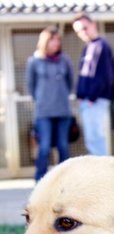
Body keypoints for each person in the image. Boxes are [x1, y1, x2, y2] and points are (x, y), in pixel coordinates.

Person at [26, 26, 74, 182]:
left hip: (63, 111)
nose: (56, 43)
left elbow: (70, 83)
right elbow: (31, 86)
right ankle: (40, 180)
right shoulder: (34, 61)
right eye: (52, 40)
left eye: (58, 40)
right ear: (45, 41)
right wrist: (42, 99)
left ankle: (65, 181)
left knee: (63, 146)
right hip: (43, 112)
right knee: (44, 146)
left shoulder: (65, 60)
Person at [72, 13, 114, 156]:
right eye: (78, 31)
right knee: (91, 139)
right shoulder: (88, 47)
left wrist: (91, 98)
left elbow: (104, 76)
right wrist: (80, 96)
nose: (82, 32)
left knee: (95, 139)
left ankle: (105, 175)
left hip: (95, 101)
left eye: (85, 28)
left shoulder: (101, 46)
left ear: (93, 24)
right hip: (87, 101)